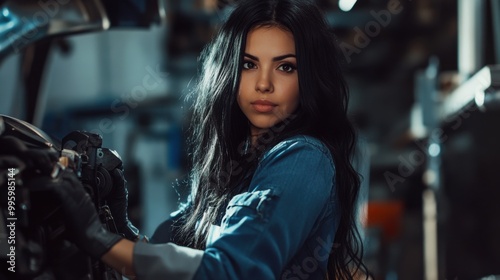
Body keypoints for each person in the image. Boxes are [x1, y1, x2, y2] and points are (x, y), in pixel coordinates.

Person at [48, 0, 369, 279]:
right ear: (229, 70)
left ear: (309, 78)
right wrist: (117, 227)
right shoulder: (240, 167)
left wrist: (95, 237)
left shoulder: (302, 158)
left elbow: (231, 272)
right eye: (248, 64)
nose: (264, 84)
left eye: (286, 67)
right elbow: (175, 261)